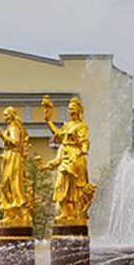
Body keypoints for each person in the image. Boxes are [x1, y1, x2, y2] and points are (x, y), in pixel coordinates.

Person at [37, 96, 97, 224]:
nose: (70, 112)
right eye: (69, 109)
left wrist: (83, 150)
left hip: (75, 156)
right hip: (65, 155)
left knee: (74, 187)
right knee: (60, 185)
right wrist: (48, 121)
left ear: (78, 110)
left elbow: (84, 141)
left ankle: (74, 213)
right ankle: (65, 212)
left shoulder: (81, 126)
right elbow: (58, 135)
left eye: (73, 109)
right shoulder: (68, 125)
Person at [0, 106, 31, 225]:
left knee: (12, 183)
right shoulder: (10, 128)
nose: (4, 117)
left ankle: (18, 210)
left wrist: (1, 134)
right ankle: (11, 212)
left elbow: (15, 143)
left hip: (13, 157)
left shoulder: (14, 128)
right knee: (4, 186)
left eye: (6, 115)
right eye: (4, 115)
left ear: (12, 115)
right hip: (8, 157)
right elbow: (8, 148)